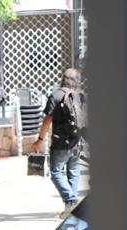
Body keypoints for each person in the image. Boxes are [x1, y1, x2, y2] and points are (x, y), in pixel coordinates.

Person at [31, 68, 87, 216]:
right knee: (73, 174)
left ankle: (71, 200)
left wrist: (40, 140)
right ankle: (71, 209)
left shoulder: (56, 95)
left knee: (56, 172)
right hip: (77, 142)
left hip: (60, 143)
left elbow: (47, 120)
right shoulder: (81, 96)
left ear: (62, 79)